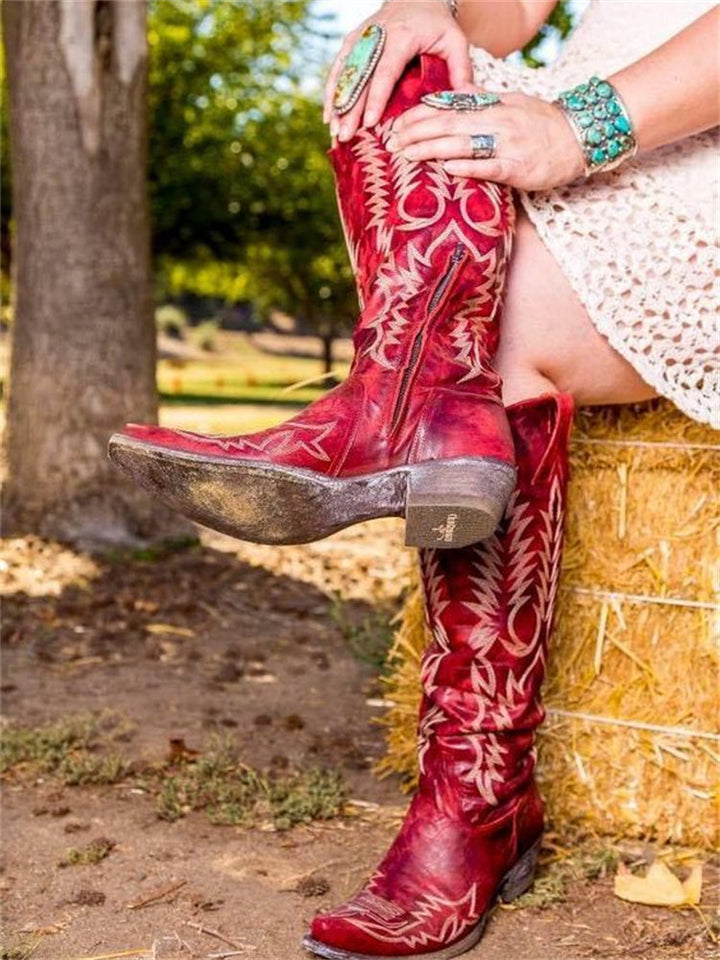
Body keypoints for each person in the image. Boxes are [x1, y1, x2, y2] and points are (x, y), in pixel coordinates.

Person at [109, 2, 719, 958]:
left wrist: (577, 128)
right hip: (573, 122)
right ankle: (412, 404)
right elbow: (511, 13)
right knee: (389, 61)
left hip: (684, 136)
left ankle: (474, 790)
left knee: (492, 343)